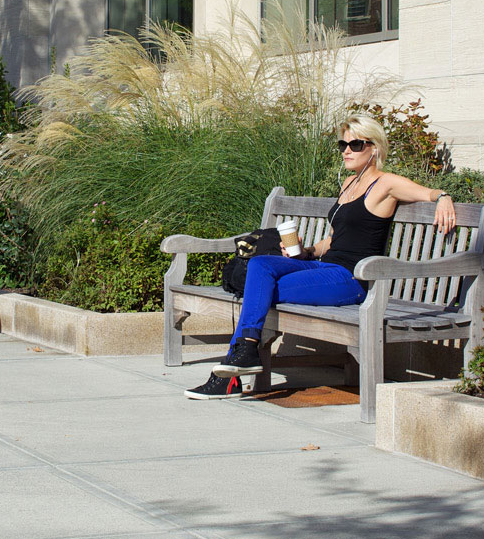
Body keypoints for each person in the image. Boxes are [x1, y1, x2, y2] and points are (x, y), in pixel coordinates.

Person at [185, 113, 458, 400]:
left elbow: (429, 193)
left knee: (260, 291)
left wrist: (443, 198)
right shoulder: (348, 185)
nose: (347, 151)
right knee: (260, 263)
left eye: (356, 145)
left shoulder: (386, 184)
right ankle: (246, 352)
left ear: (374, 148)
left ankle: (230, 373)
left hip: (351, 279)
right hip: (323, 267)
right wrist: (307, 252)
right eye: (343, 145)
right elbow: (333, 239)